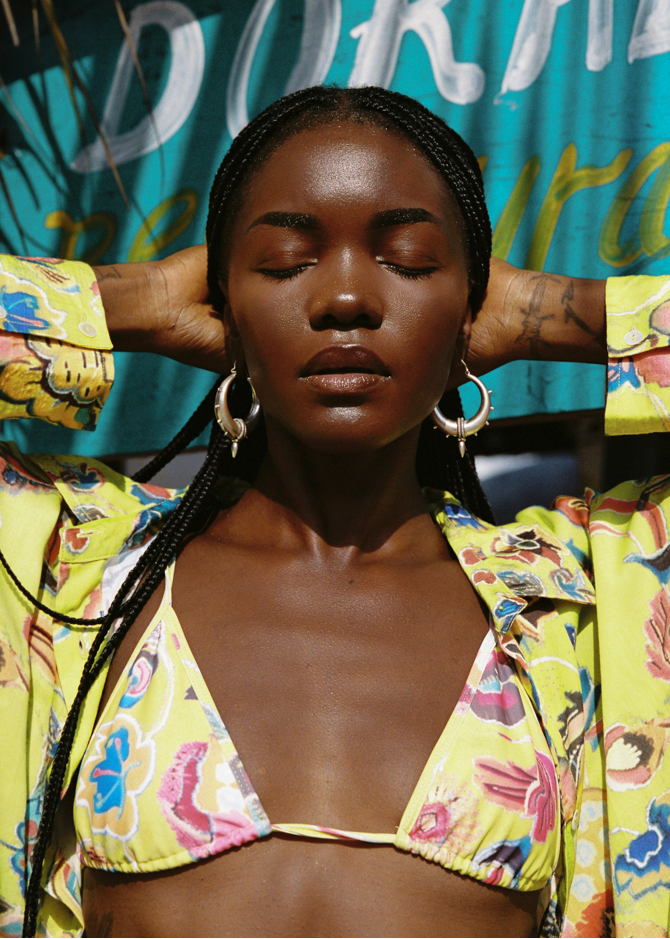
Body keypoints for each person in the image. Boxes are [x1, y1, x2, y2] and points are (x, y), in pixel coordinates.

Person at [1, 85, 669, 939]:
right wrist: (131, 299)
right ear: (223, 303)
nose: (346, 296)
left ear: (473, 307)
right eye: (285, 262)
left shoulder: (583, 593)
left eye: (411, 260)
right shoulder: (76, 571)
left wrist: (552, 312)